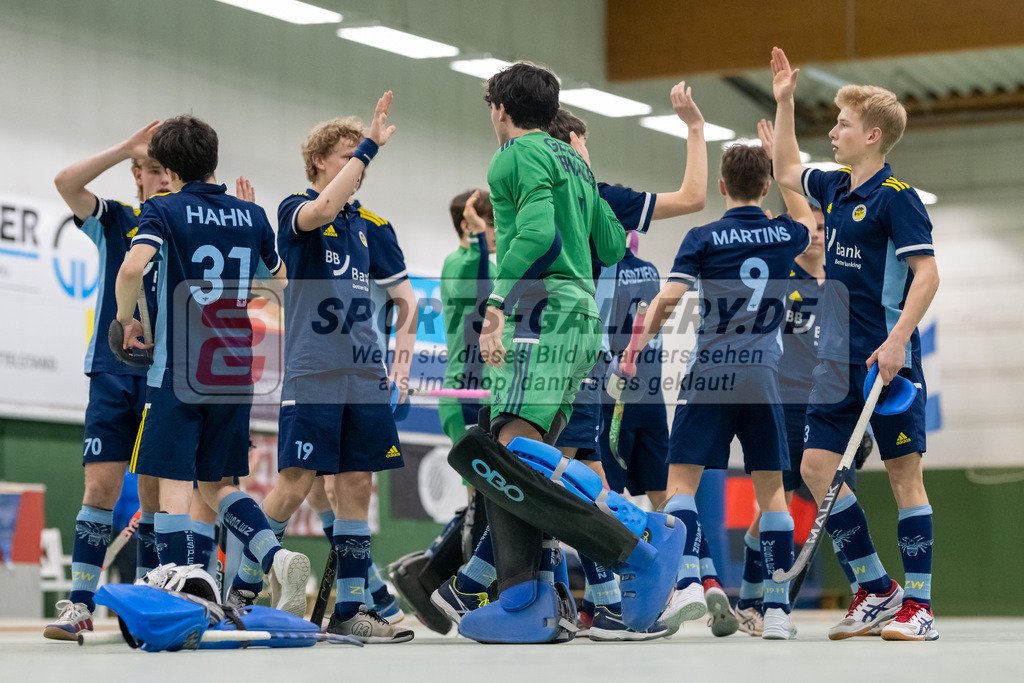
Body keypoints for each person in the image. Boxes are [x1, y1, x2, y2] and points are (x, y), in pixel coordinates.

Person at [440, 61, 687, 645]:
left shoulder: (514, 155)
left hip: (541, 310)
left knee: (504, 455)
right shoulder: (575, 161)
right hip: (581, 317)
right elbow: (607, 243)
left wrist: (496, 303)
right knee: (523, 458)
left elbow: (536, 232)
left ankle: (640, 535)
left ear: (500, 110)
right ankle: (525, 597)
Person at [769, 47, 940, 641]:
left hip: (885, 363)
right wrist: (785, 101)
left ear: (872, 134)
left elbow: (927, 275)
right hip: (832, 360)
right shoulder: (838, 188)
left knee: (902, 477)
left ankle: (919, 608)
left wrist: (897, 342)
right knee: (817, 469)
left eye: (842, 124)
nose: (833, 132)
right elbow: (786, 170)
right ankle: (876, 590)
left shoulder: (898, 197)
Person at [113, 114, 311, 618]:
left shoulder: (163, 209)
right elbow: (284, 285)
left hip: (179, 366)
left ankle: (185, 587)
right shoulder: (252, 216)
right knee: (219, 485)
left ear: (170, 168)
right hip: (232, 368)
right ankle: (276, 554)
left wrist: (125, 318)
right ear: (214, 160)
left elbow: (133, 266)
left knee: (175, 479)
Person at [624, 140, 816, 639]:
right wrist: (783, 166)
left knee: (680, 484)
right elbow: (809, 223)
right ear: (767, 185)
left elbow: (669, 298)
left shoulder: (702, 236)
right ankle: (776, 613)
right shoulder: (783, 234)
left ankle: (689, 580)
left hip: (710, 368)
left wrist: (637, 344)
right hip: (763, 373)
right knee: (772, 493)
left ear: (723, 186)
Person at [541, 93, 709, 639]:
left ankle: (605, 597)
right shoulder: (594, 197)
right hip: (582, 362)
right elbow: (693, 196)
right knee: (567, 477)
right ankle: (645, 585)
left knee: (568, 474)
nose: (589, 151)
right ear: (569, 145)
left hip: (555, 355)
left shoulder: (533, 193)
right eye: (585, 141)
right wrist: (694, 131)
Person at [254, 94, 414, 643]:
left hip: (364, 371)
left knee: (357, 483)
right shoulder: (294, 209)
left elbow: (406, 302)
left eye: (362, 159)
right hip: (314, 367)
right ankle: (243, 588)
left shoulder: (372, 226)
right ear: (321, 161)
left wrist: (402, 363)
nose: (360, 168)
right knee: (296, 482)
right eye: (348, 158)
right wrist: (368, 145)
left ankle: (351, 609)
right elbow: (322, 209)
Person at [44, 124, 169, 640]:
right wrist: (122, 148)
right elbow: (66, 183)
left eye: (170, 171)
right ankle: (78, 605)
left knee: (159, 496)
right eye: (154, 170)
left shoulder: (185, 222)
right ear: (138, 174)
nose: (163, 179)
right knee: (100, 487)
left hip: (170, 374)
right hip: (114, 371)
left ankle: (143, 604)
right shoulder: (116, 218)